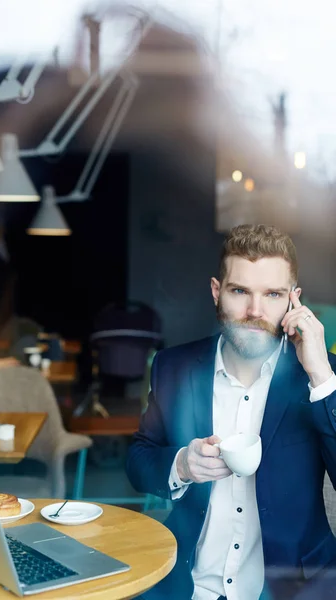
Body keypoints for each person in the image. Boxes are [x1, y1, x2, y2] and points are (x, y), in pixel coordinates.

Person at [127, 224, 336, 600]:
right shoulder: (173, 366)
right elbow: (139, 461)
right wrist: (181, 466)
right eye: (240, 291)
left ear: (293, 300)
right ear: (216, 291)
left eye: (273, 294)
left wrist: (321, 375)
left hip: (296, 588)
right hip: (187, 584)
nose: (255, 311)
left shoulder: (323, 376)